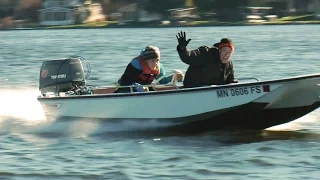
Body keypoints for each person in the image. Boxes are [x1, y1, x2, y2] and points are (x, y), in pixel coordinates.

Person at [115, 45, 184, 93]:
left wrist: (175, 77)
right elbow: (126, 82)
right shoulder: (136, 64)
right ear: (145, 60)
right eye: (152, 60)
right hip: (125, 87)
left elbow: (164, 81)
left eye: (157, 60)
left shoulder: (159, 67)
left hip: (146, 88)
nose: (155, 63)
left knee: (155, 94)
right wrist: (136, 87)